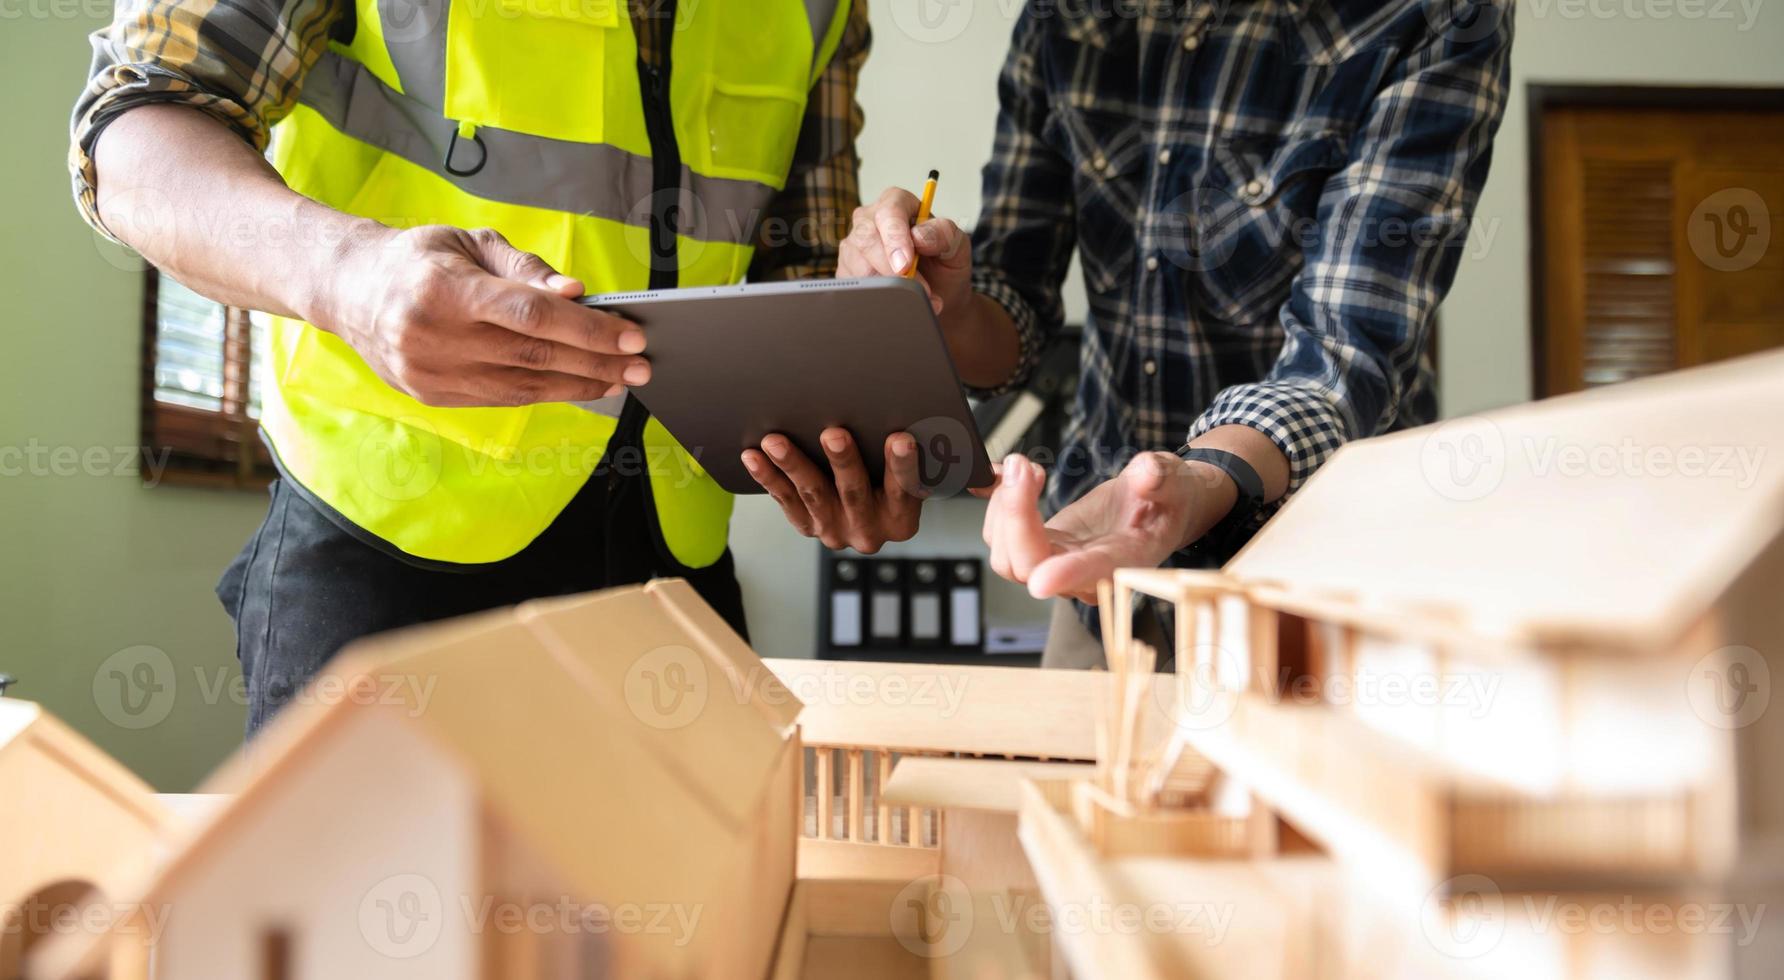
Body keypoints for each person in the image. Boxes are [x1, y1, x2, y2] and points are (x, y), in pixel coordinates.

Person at [71, 0, 872, 733]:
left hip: (676, 571)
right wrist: (351, 274)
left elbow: (799, 262)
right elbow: (136, 122)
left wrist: (858, 423)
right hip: (388, 539)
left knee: (717, 890)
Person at [758, 0, 1514, 666]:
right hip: (1101, 582)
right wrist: (943, 308)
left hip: (1331, 586)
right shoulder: (1065, 18)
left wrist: (1190, 488)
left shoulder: (1434, 15)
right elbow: (1013, 309)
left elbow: (1344, 354)